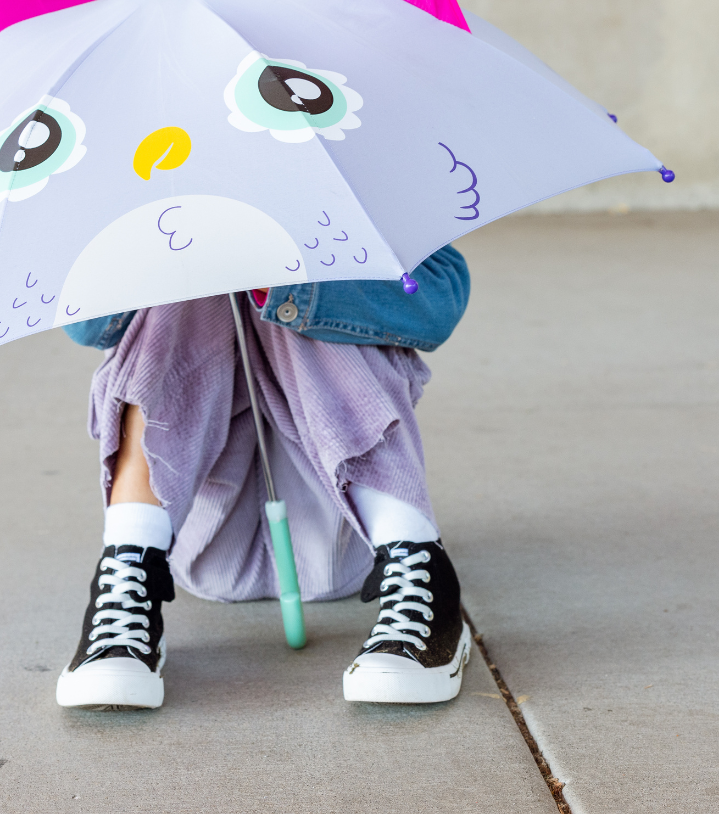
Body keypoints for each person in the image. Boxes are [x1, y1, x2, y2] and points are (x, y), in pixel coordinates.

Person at [55, 245, 471, 708]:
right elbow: (86, 325)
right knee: (181, 269)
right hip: (205, 539)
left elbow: (441, 298)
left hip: (343, 531)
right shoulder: (149, 187)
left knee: (301, 264)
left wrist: (281, 285)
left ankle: (419, 563)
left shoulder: (344, 177)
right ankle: (129, 567)